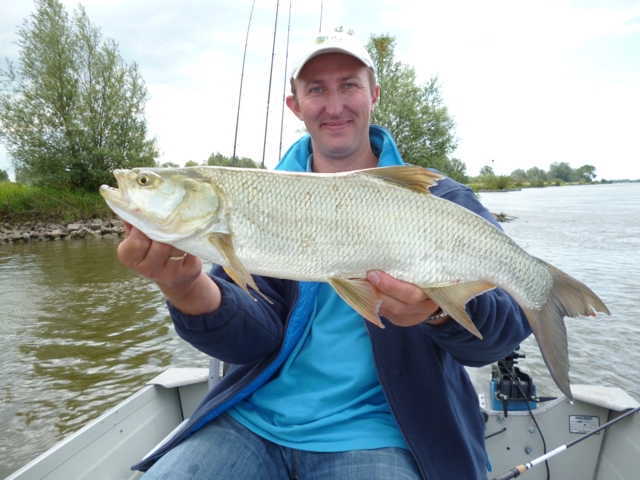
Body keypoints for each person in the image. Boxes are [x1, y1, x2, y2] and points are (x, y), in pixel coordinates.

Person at [119, 33, 531, 480]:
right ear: (295, 105)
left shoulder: (440, 199)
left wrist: (439, 313)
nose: (334, 106)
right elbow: (253, 340)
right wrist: (183, 286)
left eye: (349, 85)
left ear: (374, 94)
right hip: (254, 421)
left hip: (383, 435)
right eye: (316, 89)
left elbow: (504, 332)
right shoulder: (260, 197)